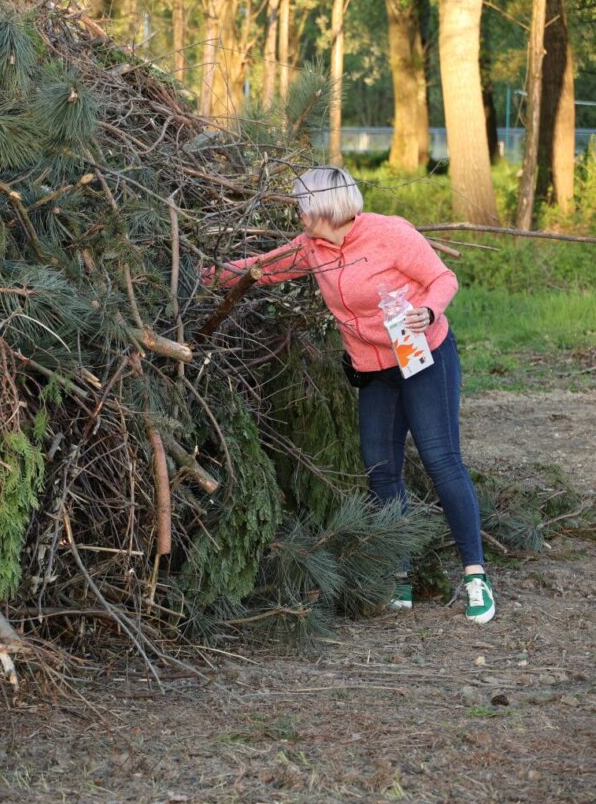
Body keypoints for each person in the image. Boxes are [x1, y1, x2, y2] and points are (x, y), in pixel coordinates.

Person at [202, 166, 495, 624]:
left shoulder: (390, 233)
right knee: (381, 469)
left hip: (424, 357)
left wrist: (426, 310)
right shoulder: (312, 248)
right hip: (374, 370)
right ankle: (398, 573)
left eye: (302, 205)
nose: (297, 215)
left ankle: (476, 575)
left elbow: (444, 279)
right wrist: (203, 275)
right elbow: (264, 268)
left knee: (441, 460)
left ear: (323, 207)